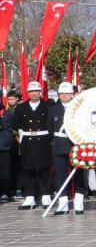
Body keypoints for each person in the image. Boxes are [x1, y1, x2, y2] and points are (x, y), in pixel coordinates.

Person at [13, 82, 52, 210]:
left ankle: (46, 196)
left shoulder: (48, 106)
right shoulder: (21, 107)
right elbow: (14, 125)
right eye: (31, 91)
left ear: (40, 92)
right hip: (27, 141)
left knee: (44, 169)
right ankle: (29, 197)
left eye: (36, 91)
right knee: (27, 169)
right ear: (28, 93)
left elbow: (51, 124)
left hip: (43, 140)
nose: (34, 93)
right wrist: (17, 136)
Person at [47, 82, 78, 215]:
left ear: (72, 94)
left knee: (78, 174)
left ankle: (79, 199)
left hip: (75, 144)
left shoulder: (78, 108)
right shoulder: (53, 109)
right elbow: (49, 129)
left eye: (67, 93)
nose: (64, 96)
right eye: (62, 94)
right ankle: (63, 203)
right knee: (60, 175)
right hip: (59, 145)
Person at [0, 90, 17, 203]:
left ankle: (4, 191)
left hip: (2, 146)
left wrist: (4, 142)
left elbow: (7, 130)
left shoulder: (5, 113)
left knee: (4, 171)